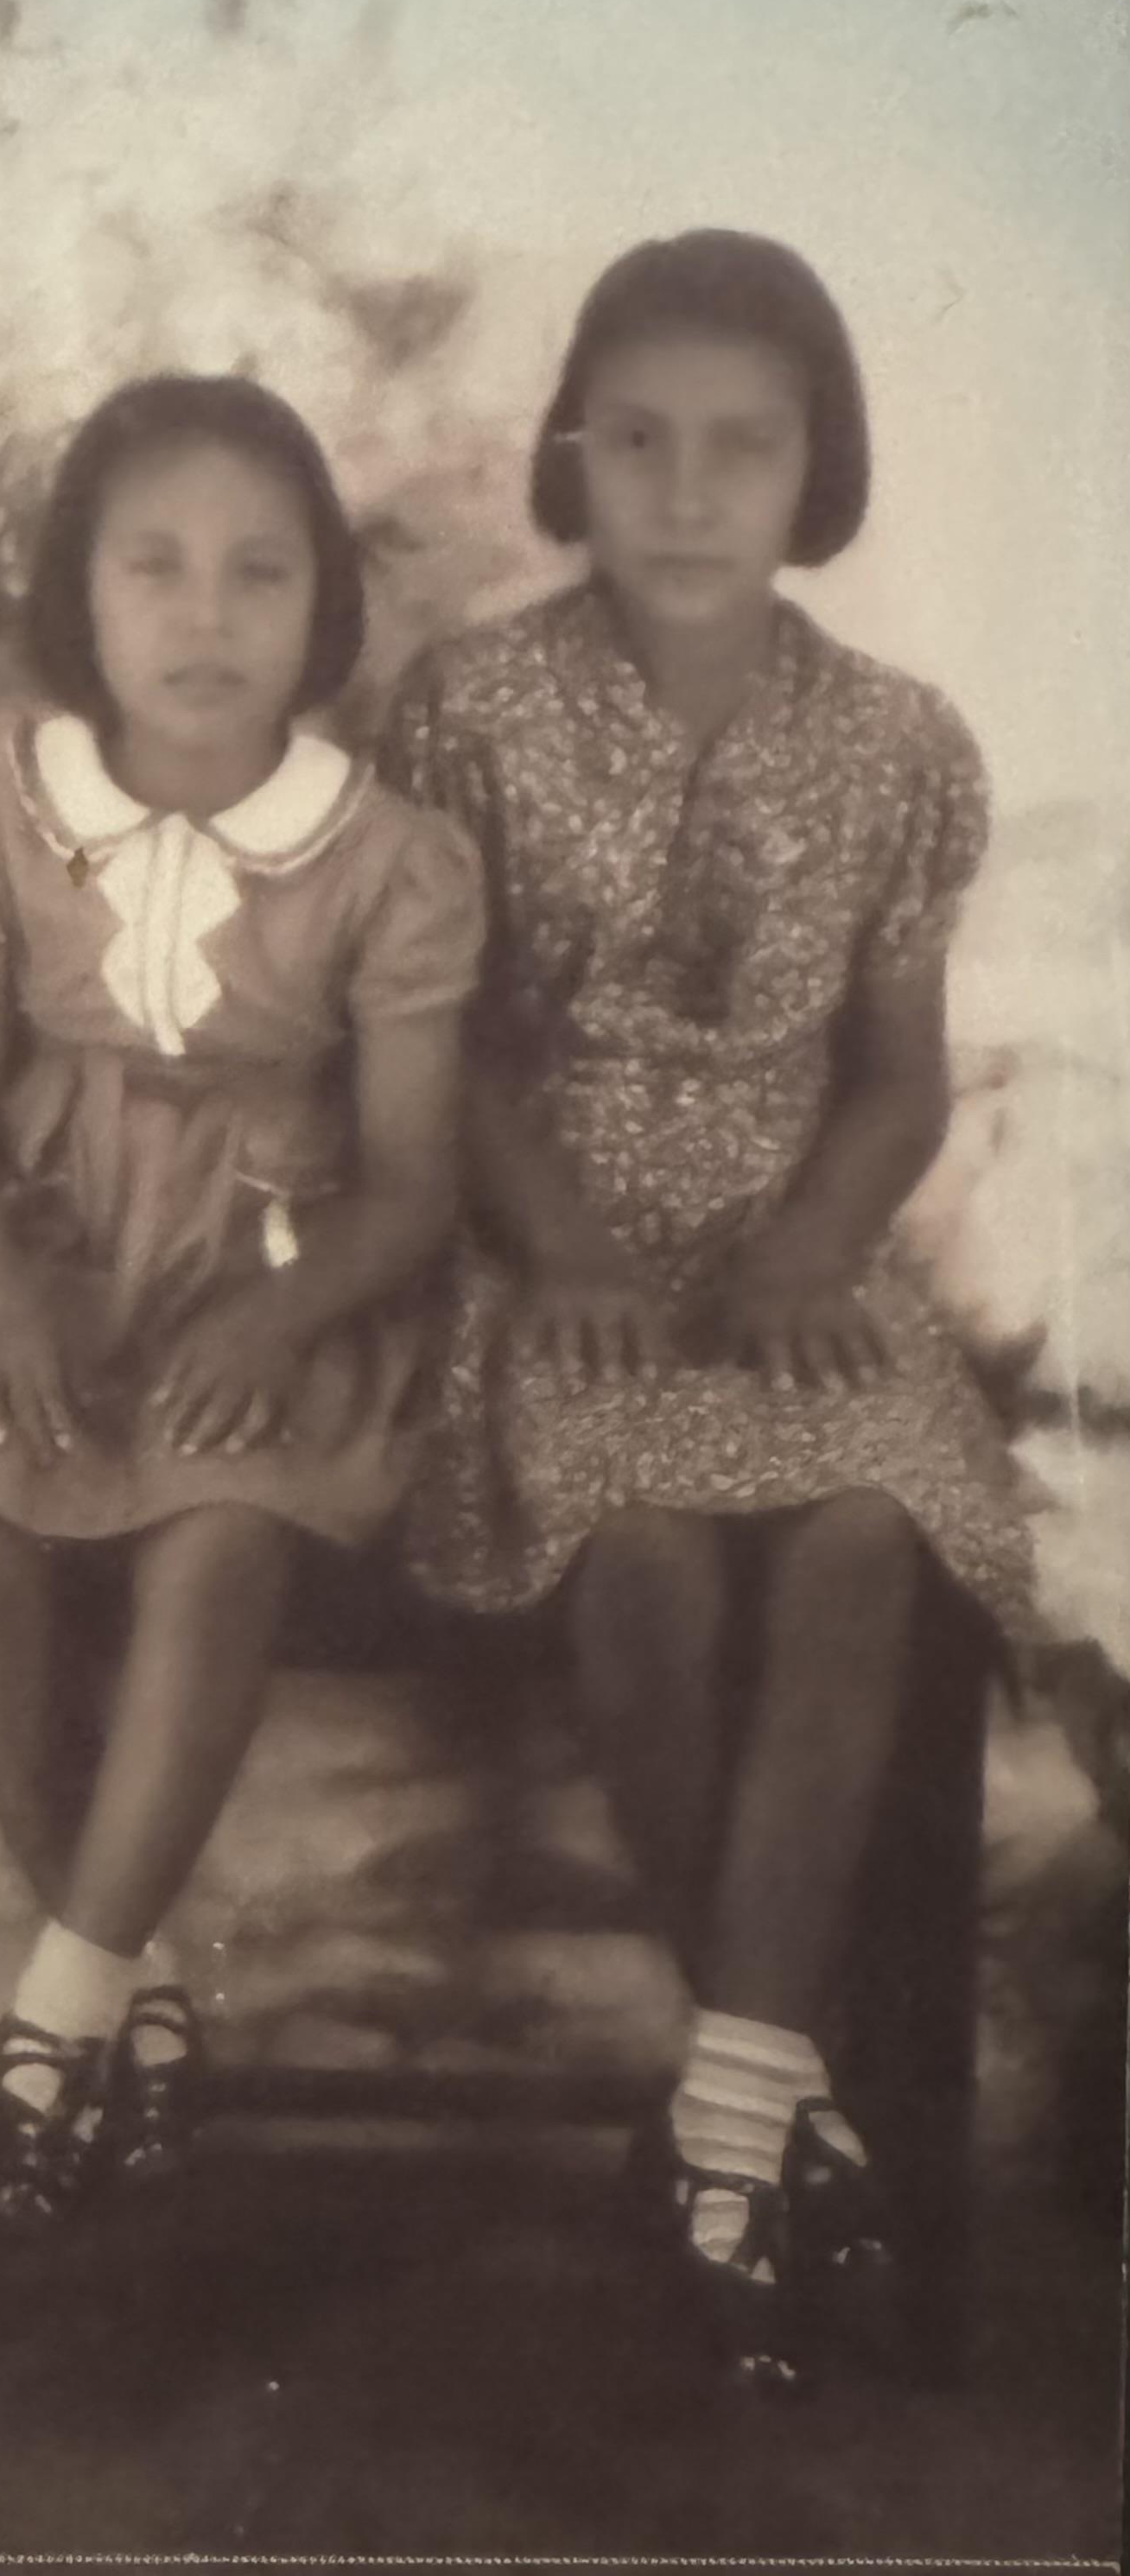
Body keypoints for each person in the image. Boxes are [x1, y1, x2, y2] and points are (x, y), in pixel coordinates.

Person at [378, 231, 1032, 2385]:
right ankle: (774, 2111)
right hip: (551, 1243)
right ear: (572, 455)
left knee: (861, 1533)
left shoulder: (895, 743)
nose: (682, 487)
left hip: (790, 1243)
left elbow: (897, 1070)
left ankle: (728, 2117)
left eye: (738, 446)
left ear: (810, 469)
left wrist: (816, 1236)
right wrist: (556, 1236)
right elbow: (441, 1044)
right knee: (639, 1553)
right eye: (635, 440)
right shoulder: (468, 707)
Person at [0, 373, 484, 2225]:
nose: (203, 615)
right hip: (37, 1252)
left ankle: (54, 2004)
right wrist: (0, 1290)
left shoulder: (383, 858)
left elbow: (419, 1179)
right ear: (82, 597)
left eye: (256, 572)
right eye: (155, 566)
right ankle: (125, 1969)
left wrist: (279, 1321)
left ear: (320, 610)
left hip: (273, 1272)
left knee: (221, 1534)